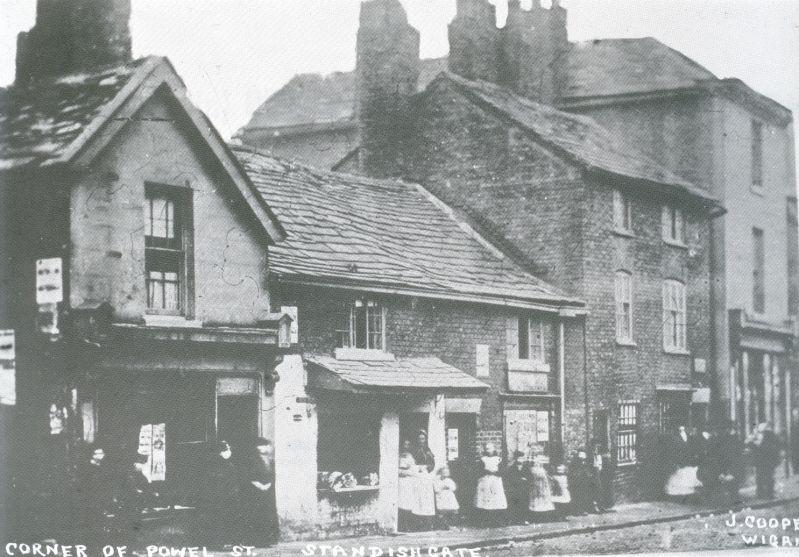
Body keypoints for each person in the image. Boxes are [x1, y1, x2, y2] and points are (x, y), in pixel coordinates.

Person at [203, 440, 242, 545]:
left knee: (217, 520)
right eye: (228, 449)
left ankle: (218, 542)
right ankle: (229, 541)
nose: (230, 451)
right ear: (221, 451)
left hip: (216, 498)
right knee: (227, 519)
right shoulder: (228, 465)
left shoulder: (210, 464)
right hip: (226, 497)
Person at [242, 438, 278, 546]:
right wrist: (258, 485)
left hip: (268, 491)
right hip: (254, 492)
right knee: (256, 515)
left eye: (266, 445)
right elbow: (247, 475)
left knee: (267, 515)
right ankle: (255, 540)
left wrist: (269, 484)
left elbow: (273, 475)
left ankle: (267, 540)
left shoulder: (270, 460)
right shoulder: (250, 459)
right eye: (262, 445)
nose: (265, 448)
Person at [76, 445, 115, 535]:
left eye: (103, 453)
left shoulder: (102, 467)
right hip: (90, 497)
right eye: (100, 453)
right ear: (93, 455)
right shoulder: (87, 468)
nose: (103, 455)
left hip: (100, 497)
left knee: (99, 517)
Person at [473, 443, 507, 526]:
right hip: (486, 481)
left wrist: (496, 472)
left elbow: (502, 471)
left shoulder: (498, 459)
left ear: (494, 449)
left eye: (490, 448)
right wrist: (487, 472)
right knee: (486, 499)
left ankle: (497, 521)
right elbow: (479, 471)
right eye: (487, 449)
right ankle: (485, 521)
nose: (489, 450)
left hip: (495, 481)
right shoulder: (483, 459)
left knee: (496, 499)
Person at [410, 430, 436, 531]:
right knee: (417, 499)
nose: (421, 440)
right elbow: (411, 462)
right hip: (417, 476)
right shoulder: (414, 450)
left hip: (425, 477)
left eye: (423, 438)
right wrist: (416, 468)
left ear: (425, 439)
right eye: (419, 438)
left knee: (426, 499)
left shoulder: (428, 450)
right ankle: (418, 523)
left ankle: (428, 523)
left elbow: (432, 464)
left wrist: (425, 467)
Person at [749, 422, 782, 499]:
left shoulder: (766, 436)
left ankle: (763, 494)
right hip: (766, 461)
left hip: (764, 460)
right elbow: (776, 446)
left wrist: (755, 444)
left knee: (763, 477)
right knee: (767, 477)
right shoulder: (770, 435)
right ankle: (767, 494)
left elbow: (769, 447)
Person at [503, 450, 530, 524]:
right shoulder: (512, 468)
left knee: (524, 504)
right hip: (516, 489)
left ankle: (524, 519)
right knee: (516, 504)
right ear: (515, 459)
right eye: (518, 458)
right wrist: (520, 479)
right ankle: (516, 519)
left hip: (524, 489)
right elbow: (510, 478)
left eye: (522, 458)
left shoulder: (526, 467)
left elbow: (530, 477)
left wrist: (526, 481)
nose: (520, 460)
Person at [567, 449, 597, 515]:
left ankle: (582, 510)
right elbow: (572, 473)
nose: (583, 461)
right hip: (577, 482)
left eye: (583, 459)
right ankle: (577, 511)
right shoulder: (575, 464)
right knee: (577, 496)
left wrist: (588, 475)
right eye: (581, 459)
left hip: (583, 482)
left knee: (583, 496)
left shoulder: (584, 464)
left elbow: (587, 472)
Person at [528, 454, 556, 521]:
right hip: (538, 486)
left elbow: (546, 478)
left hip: (544, 486)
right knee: (538, 500)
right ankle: (537, 516)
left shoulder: (542, 469)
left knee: (544, 500)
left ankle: (544, 516)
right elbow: (536, 478)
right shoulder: (535, 469)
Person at [397, 439, 417, 532]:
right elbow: (394, 468)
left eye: (408, 444)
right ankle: (401, 524)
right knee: (401, 502)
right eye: (405, 444)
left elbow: (413, 470)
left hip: (408, 482)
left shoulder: (410, 457)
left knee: (408, 502)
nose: (406, 446)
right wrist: (400, 472)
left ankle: (408, 525)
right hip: (400, 481)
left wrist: (406, 472)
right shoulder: (398, 456)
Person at [592, 442, 615, 512]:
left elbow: (601, 466)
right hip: (595, 475)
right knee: (595, 490)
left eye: (597, 448)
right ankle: (595, 507)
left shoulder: (600, 457)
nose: (596, 450)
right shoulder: (592, 456)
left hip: (600, 475)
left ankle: (601, 506)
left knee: (601, 490)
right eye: (595, 448)